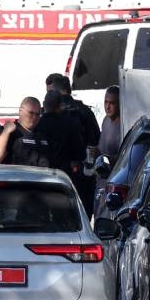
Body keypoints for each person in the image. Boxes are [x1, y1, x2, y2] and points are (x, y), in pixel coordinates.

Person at [47, 73, 100, 216]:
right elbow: (95, 140)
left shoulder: (51, 113)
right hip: (83, 173)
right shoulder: (85, 111)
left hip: (56, 174)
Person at [33, 89, 83, 175]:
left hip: (42, 172)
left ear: (44, 104)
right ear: (60, 105)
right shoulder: (70, 123)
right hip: (64, 173)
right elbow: (80, 153)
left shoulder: (38, 124)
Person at [0, 96, 49, 166]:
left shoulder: (42, 134)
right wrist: (6, 132)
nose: (34, 117)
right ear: (20, 111)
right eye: (31, 113)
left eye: (37, 114)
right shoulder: (11, 132)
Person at [99, 85, 122, 164]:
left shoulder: (124, 126)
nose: (107, 107)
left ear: (119, 103)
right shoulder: (106, 120)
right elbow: (102, 148)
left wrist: (109, 159)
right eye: (106, 102)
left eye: (112, 103)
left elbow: (124, 158)